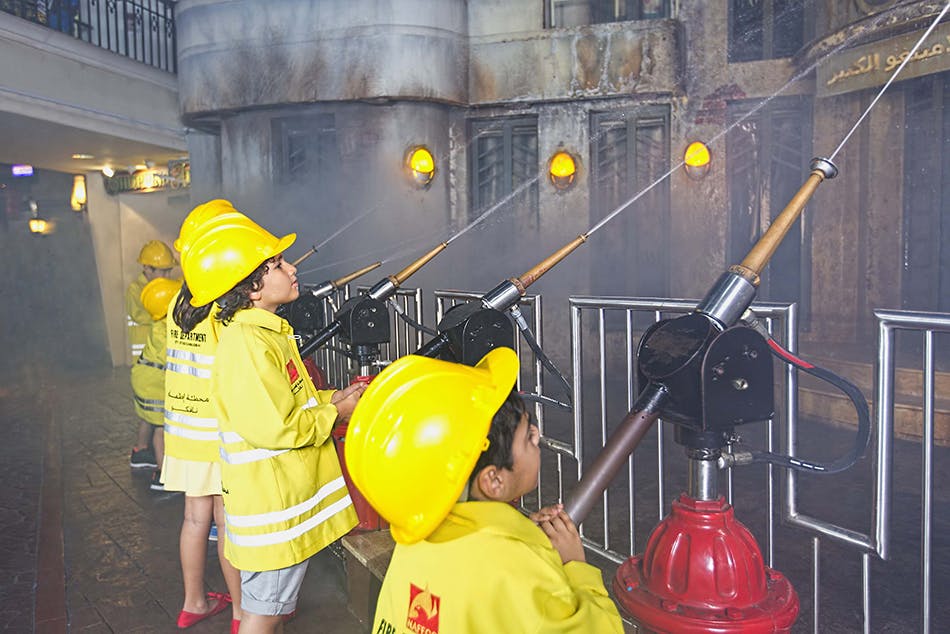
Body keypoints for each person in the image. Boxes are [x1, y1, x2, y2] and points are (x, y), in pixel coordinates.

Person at [345, 347, 625, 633]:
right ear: (494, 481)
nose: (537, 436)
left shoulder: (412, 543)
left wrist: (520, 538)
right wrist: (575, 566)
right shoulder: (517, 570)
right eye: (528, 436)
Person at [180, 209, 362, 634]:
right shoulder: (248, 345)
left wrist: (333, 398)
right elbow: (277, 427)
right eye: (277, 265)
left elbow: (290, 401)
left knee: (268, 611)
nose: (292, 268)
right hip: (273, 513)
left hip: (278, 504)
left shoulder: (264, 333)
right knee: (262, 615)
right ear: (251, 288)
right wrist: (336, 414)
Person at [162, 200, 246, 631]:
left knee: (194, 518)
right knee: (227, 523)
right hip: (216, 433)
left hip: (183, 431)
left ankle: (193, 601)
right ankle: (241, 613)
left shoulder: (180, 300)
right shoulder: (223, 306)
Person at [127, 239, 175, 468]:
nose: (166, 275)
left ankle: (141, 451)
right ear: (146, 268)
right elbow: (140, 314)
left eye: (168, 270)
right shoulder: (136, 290)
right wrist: (165, 315)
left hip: (152, 362)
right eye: (161, 270)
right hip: (148, 361)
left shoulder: (165, 288)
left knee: (149, 413)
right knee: (157, 419)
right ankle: (160, 466)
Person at [130, 276, 181, 491]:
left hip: (144, 377)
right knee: (161, 427)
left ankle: (141, 451)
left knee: (148, 417)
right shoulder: (167, 329)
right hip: (154, 381)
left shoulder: (159, 323)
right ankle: (163, 475)